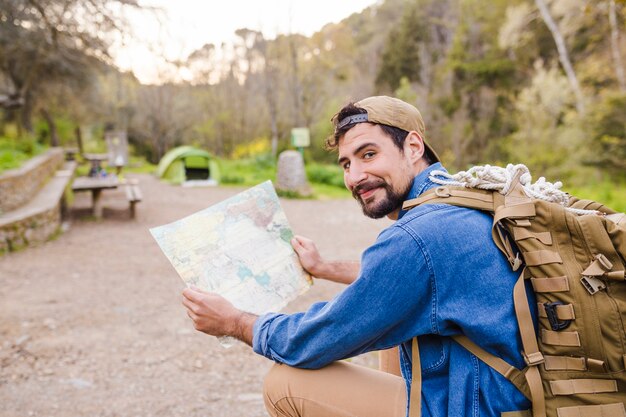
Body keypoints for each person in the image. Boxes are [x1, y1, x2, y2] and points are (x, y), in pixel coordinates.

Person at [182, 96, 533, 417]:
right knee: (398, 331)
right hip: (517, 393)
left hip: (483, 407)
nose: (355, 177)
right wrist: (324, 268)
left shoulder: (418, 235)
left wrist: (237, 323)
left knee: (285, 383)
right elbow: (413, 278)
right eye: (346, 164)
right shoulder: (465, 200)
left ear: (412, 146)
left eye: (368, 155)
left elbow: (319, 338)